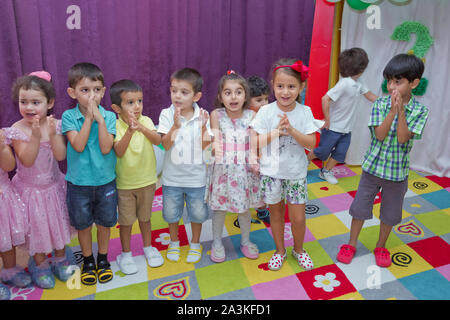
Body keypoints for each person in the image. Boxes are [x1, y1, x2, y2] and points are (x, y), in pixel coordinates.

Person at [336, 53, 429, 268]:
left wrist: (402, 113)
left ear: (414, 83)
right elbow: (379, 135)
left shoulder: (421, 110)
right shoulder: (380, 104)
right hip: (372, 169)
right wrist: (392, 112)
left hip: (397, 174)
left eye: (398, 81)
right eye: (389, 81)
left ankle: (381, 246)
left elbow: (403, 138)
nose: (391, 86)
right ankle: (351, 243)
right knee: (359, 208)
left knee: (390, 213)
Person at [250, 59, 323, 271]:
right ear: (273, 85)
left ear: (301, 87)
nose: (285, 91)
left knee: (298, 218)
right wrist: (276, 132)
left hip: (296, 174)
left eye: (291, 86)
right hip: (271, 174)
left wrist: (291, 131)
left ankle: (298, 249)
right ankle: (280, 250)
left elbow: (311, 144)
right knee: (275, 215)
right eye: (280, 86)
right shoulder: (265, 112)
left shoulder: (305, 112)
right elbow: (254, 142)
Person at [8, 71, 75, 289]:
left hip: (53, 187)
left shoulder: (55, 125)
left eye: (35, 102)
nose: (28, 107)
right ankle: (40, 264)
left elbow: (60, 156)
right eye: (23, 101)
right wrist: (35, 137)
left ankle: (60, 257)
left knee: (57, 224)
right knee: (36, 228)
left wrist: (53, 134)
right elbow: (26, 160)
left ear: (50, 103)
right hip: (30, 191)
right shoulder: (17, 130)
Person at [62, 63, 117, 285]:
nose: (92, 96)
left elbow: (106, 148)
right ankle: (88, 260)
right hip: (78, 183)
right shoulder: (68, 116)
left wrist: (100, 119)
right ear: (72, 93)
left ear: (103, 91)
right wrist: (88, 119)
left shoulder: (110, 117)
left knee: (105, 223)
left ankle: (103, 259)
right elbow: (78, 145)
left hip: (105, 181)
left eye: (96, 90)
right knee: (83, 224)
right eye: (85, 90)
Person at [206, 71, 264, 263]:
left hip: (244, 171)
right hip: (223, 170)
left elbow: (255, 142)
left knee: (244, 209)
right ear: (220, 97)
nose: (233, 97)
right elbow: (215, 139)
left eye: (238, 92)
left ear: (245, 96)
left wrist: (256, 158)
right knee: (220, 209)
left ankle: (245, 241)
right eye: (228, 92)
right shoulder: (216, 114)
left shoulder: (252, 115)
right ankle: (216, 242)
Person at [157, 68, 211, 264]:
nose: (177, 96)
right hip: (172, 178)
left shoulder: (203, 114)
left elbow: (207, 146)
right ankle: (174, 241)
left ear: (196, 96)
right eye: (173, 90)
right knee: (172, 213)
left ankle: (195, 243)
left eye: (184, 92)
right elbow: (165, 145)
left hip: (197, 178)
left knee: (197, 213)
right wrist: (175, 126)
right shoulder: (166, 114)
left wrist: (204, 126)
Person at [110, 79, 164, 274]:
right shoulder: (114, 126)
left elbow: (158, 141)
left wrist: (141, 128)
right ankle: (126, 253)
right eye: (130, 102)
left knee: (145, 218)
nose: (137, 106)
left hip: (148, 181)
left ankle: (148, 247)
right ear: (117, 108)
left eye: (139, 101)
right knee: (125, 222)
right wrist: (130, 132)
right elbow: (119, 151)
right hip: (125, 184)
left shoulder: (147, 121)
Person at [307, 48, 378, 184]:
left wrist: (385, 102)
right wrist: (327, 119)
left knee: (340, 153)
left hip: (347, 129)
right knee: (322, 151)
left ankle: (325, 171)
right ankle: (304, 161)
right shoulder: (344, 83)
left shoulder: (359, 82)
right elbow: (325, 99)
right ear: (361, 68)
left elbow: (369, 95)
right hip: (333, 127)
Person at [0, 128, 31, 300]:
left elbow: (9, 166)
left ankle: (9, 270)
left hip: (3, 197)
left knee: (8, 238)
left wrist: (2, 148)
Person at [247, 75, 270, 224]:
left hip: (265, 158)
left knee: (264, 188)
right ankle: (243, 214)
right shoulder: (247, 118)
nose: (264, 103)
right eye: (259, 100)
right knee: (248, 187)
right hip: (249, 160)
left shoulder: (267, 114)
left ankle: (262, 211)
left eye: (266, 99)